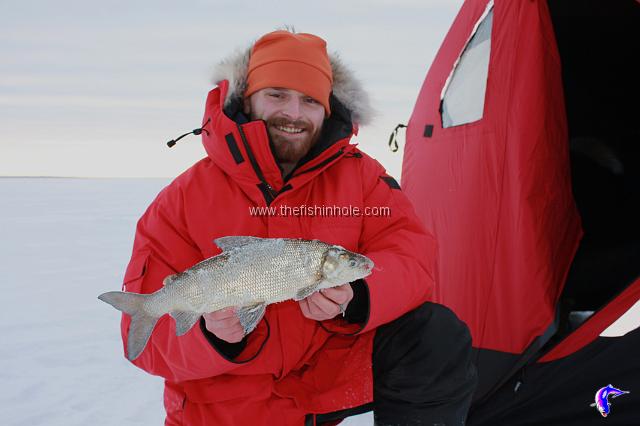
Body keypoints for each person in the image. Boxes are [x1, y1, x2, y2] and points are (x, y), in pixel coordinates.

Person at [119, 30, 477, 425]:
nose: (293, 113)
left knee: (435, 336)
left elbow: (412, 257)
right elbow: (148, 344)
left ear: (327, 110)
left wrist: (357, 297)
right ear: (246, 98)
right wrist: (212, 335)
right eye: (277, 94)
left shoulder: (363, 179)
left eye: (309, 100)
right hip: (225, 406)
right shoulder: (181, 199)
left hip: (323, 382)